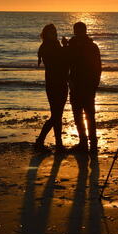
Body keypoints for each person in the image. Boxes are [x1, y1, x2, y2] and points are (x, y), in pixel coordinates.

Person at [66, 22, 102, 153]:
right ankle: (84, 142)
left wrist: (94, 84)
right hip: (76, 85)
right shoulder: (72, 45)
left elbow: (98, 67)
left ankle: (90, 143)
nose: (79, 33)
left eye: (80, 30)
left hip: (86, 86)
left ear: (84, 31)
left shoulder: (91, 46)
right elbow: (67, 63)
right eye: (77, 30)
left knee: (88, 115)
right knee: (80, 116)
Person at [35, 24, 69, 152]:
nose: (54, 34)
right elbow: (59, 62)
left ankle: (57, 143)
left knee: (57, 115)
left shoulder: (53, 45)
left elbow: (62, 61)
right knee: (56, 115)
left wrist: (64, 47)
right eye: (51, 32)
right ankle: (42, 141)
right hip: (55, 83)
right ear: (46, 34)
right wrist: (66, 47)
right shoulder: (48, 46)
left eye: (54, 32)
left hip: (59, 82)